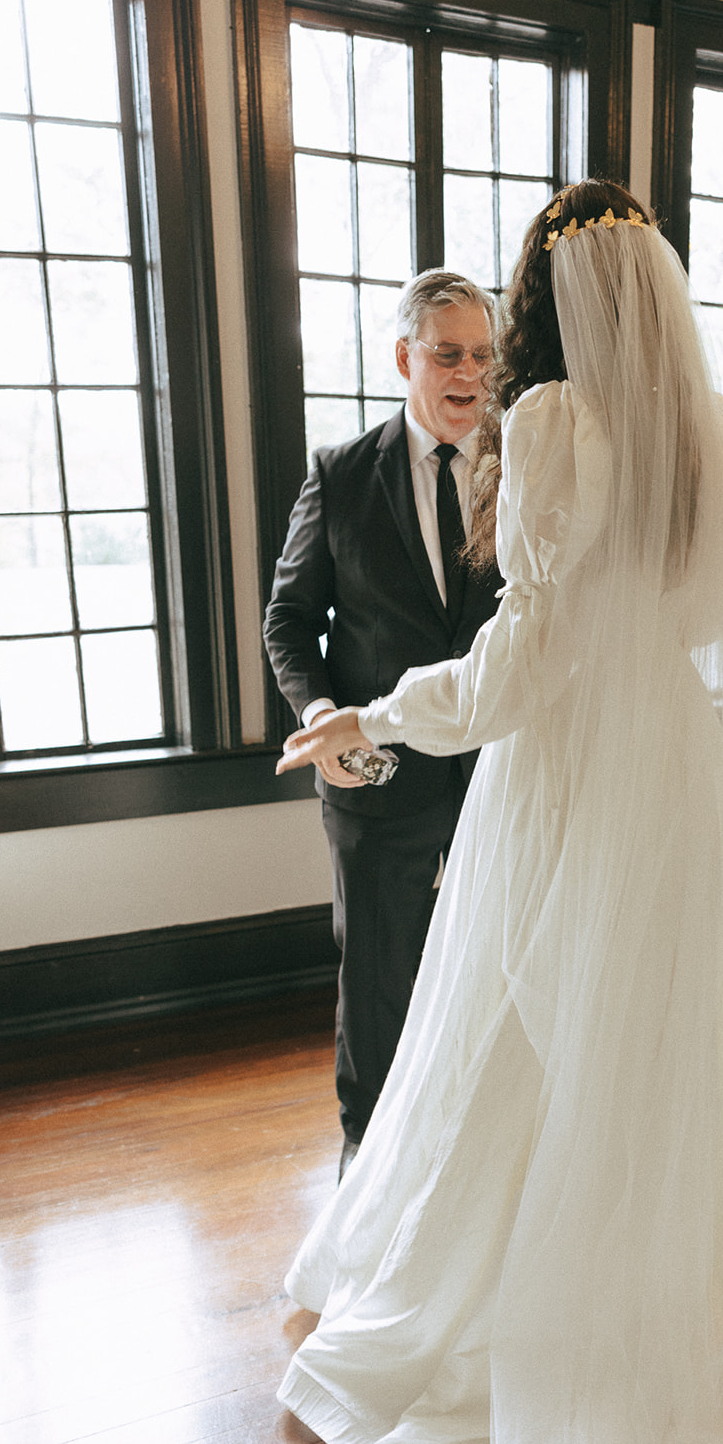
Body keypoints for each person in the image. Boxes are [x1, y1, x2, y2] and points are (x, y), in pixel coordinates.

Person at [274, 180, 723, 1444]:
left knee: (518, 1034)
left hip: (562, 770)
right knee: (648, 1043)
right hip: (669, 775)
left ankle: (525, 1304)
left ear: (538, 298)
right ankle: (657, 1300)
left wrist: (369, 716)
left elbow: (510, 675)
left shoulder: (554, 425)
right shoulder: (712, 441)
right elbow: (693, 607)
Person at [264, 271, 503, 1174]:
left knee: (489, 962)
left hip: (496, 773)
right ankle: (366, 1157)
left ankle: (467, 1156)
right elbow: (289, 619)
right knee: (375, 976)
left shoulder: (521, 469)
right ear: (406, 358)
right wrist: (327, 715)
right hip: (378, 774)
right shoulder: (340, 474)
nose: (469, 374)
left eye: (483, 355)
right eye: (448, 354)